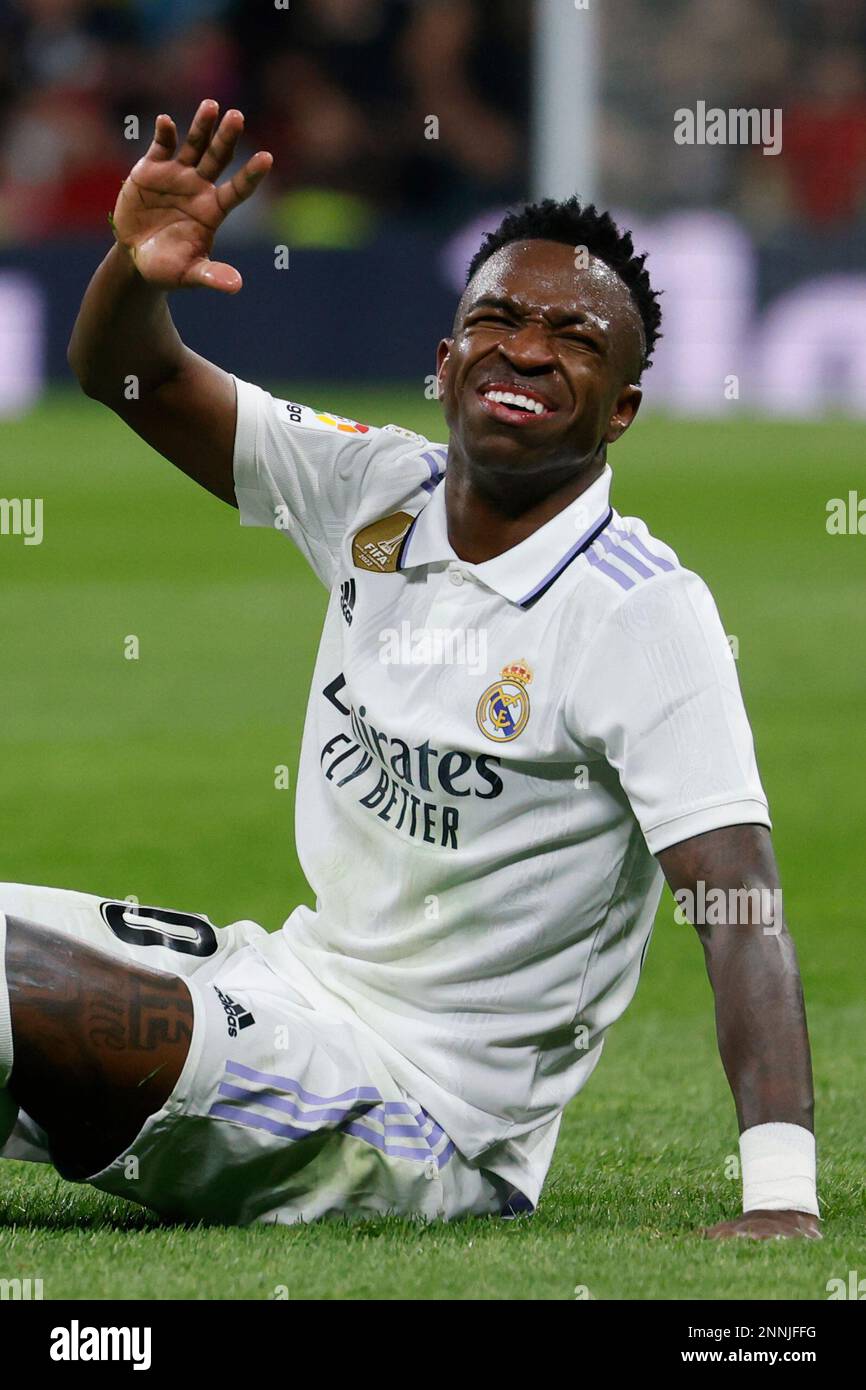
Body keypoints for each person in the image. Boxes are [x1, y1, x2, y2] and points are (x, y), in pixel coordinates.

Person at [0, 101, 819, 1236]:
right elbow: (123, 375)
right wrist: (137, 270)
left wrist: (780, 1197)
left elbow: (738, 907)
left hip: (420, 1116)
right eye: (497, 317)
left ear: (623, 407)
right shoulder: (375, 486)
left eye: (575, 339)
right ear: (445, 361)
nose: (525, 348)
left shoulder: (640, 614)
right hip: (283, 986)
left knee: (16, 1000)